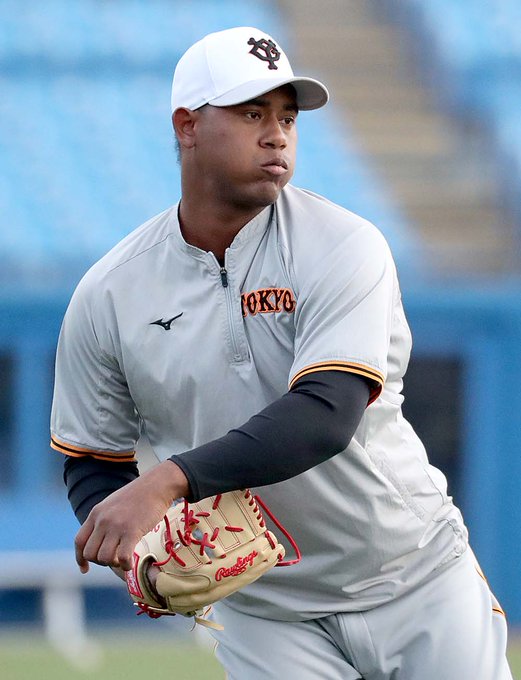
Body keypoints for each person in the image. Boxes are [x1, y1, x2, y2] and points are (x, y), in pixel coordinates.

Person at [50, 26, 513, 680]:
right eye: (251, 113)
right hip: (264, 610)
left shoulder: (341, 243)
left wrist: (169, 479)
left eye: (287, 118)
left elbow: (325, 413)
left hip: (411, 573)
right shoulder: (110, 291)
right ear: (186, 125)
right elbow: (92, 457)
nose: (277, 135)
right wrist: (143, 550)